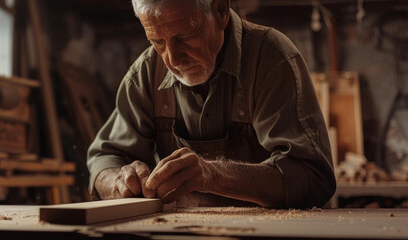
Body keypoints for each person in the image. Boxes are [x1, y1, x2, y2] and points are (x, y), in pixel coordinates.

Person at [87, 0, 336, 208]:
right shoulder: (147, 72)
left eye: (185, 36)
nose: (172, 59)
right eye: (157, 41)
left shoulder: (271, 59)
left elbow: (313, 179)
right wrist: (118, 182)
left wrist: (213, 175)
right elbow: (105, 159)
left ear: (221, 11)